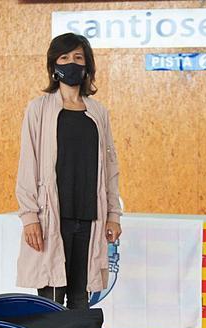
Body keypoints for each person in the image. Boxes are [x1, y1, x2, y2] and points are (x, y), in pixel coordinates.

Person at [15, 33, 123, 309]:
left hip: (88, 217)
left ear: (87, 65)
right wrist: (29, 217)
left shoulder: (98, 112)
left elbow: (110, 166)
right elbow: (29, 163)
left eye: (78, 57)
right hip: (52, 217)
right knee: (51, 299)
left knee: (80, 299)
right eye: (64, 58)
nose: (71, 63)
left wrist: (113, 215)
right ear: (54, 66)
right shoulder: (38, 110)